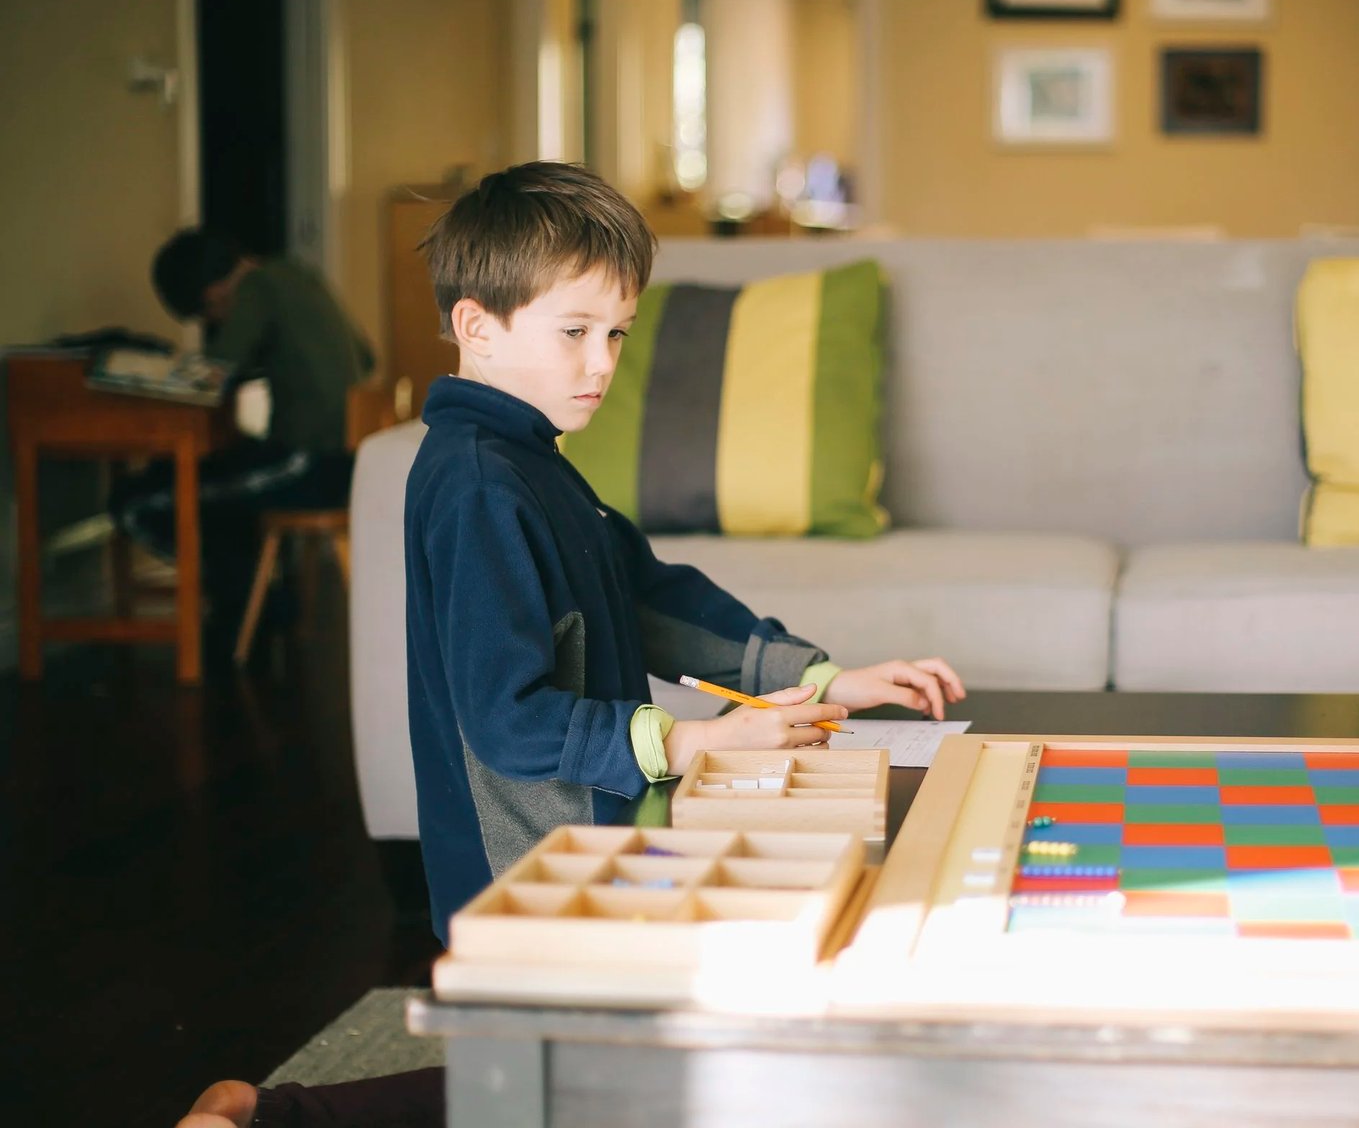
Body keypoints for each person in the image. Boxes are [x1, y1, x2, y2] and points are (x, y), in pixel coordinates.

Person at [175, 161, 965, 1126]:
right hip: (527, 862)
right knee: (581, 1092)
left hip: (589, 830)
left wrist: (824, 676)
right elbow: (506, 718)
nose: (602, 363)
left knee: (581, 1083)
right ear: (478, 327)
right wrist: (691, 742)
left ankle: (264, 1114)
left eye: (617, 333)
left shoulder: (533, 462)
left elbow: (650, 598)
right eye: (575, 332)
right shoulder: (475, 485)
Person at [113, 230, 375, 636]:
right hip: (346, 459)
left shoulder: (256, 286)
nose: (216, 323)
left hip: (308, 463)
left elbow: (215, 372)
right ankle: (252, 598)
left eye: (209, 317)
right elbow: (367, 357)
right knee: (221, 486)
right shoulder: (299, 274)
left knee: (139, 498)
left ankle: (249, 597)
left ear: (213, 293)